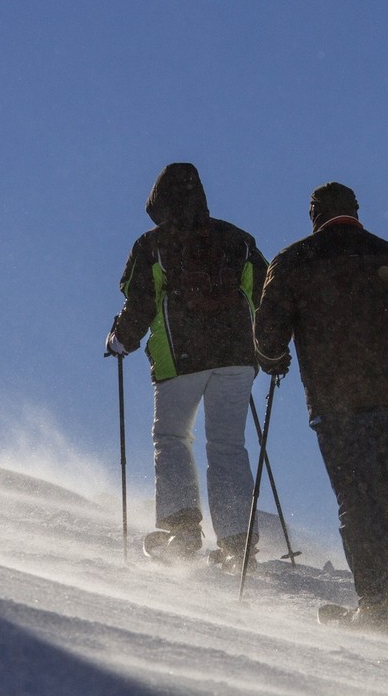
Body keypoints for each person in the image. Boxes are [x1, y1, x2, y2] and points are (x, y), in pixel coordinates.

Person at [254, 182, 388, 628]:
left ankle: (373, 603)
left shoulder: (293, 261)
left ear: (314, 215)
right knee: (384, 490)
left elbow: (268, 333)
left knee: (355, 497)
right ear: (356, 211)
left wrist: (274, 361)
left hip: (337, 399)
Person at [106, 162, 268, 570]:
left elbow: (140, 299)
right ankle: (237, 542)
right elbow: (264, 291)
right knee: (229, 445)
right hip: (237, 357)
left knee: (173, 437)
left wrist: (121, 340)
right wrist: (265, 348)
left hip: (182, 356)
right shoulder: (237, 238)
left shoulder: (153, 244)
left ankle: (182, 529)